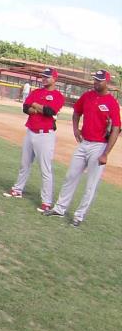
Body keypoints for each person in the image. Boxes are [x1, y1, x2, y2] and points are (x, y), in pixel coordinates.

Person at [43, 70, 120, 227]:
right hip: (84, 143)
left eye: (99, 80)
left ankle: (79, 216)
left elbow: (116, 129)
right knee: (70, 176)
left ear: (107, 83)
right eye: (95, 80)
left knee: (91, 184)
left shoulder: (112, 103)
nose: (95, 82)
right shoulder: (87, 96)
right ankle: (59, 208)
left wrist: (106, 153)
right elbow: (76, 112)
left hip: (99, 146)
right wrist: (75, 129)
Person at [2, 68, 65, 212]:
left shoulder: (57, 96)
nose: (44, 79)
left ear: (54, 79)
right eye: (43, 76)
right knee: (24, 164)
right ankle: (17, 190)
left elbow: (50, 112)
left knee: (45, 169)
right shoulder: (36, 92)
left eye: (47, 77)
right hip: (30, 131)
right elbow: (25, 108)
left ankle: (46, 202)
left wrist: (36, 105)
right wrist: (37, 109)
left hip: (45, 135)